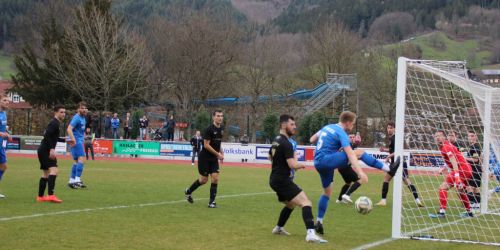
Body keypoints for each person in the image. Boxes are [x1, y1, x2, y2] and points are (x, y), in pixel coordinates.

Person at [312, 111, 400, 235]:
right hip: (327, 160)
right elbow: (351, 154)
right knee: (359, 152)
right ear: (347, 122)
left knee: (327, 192)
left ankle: (319, 222)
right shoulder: (341, 132)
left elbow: (312, 139)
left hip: (318, 162)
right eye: (352, 124)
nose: (352, 127)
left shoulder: (327, 127)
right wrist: (361, 172)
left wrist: (329, 145)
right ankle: (389, 169)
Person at [268, 114, 327, 243]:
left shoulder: (276, 140)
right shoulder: (287, 144)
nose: (295, 127)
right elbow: (292, 165)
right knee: (306, 202)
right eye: (292, 125)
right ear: (283, 125)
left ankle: (278, 228)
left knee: (290, 204)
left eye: (295, 125)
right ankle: (311, 234)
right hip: (282, 180)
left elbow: (270, 157)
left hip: (274, 179)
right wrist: (302, 164)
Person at [376, 122, 423, 207]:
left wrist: (388, 157)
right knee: (405, 181)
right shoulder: (392, 138)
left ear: (394, 129)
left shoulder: (395, 138)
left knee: (388, 180)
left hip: (398, 163)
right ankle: (418, 200)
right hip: (398, 163)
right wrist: (385, 150)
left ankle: (383, 201)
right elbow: (392, 150)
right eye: (388, 128)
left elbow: (398, 151)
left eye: (391, 128)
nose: (389, 129)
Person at [184, 110, 224, 208]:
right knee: (203, 180)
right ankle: (188, 191)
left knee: (215, 178)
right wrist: (218, 154)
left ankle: (211, 202)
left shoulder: (221, 129)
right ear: (213, 117)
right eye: (218, 116)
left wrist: (221, 151)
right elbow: (206, 145)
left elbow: (217, 143)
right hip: (204, 158)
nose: (220, 118)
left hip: (213, 158)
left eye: (221, 116)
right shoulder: (209, 129)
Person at [430, 130, 473, 218]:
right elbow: (451, 161)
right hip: (467, 169)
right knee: (460, 191)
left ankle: (441, 213)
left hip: (462, 169)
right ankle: (470, 212)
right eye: (436, 136)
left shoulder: (446, 147)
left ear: (444, 137)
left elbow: (454, 162)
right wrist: (443, 168)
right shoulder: (444, 146)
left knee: (443, 188)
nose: (437, 138)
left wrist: (457, 177)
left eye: (440, 136)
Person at [37, 105, 72, 203]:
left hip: (43, 149)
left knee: (46, 173)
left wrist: (65, 140)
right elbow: (47, 135)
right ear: (55, 112)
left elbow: (53, 137)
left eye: (64, 112)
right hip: (46, 150)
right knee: (54, 170)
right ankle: (51, 195)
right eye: (61, 112)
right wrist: (52, 149)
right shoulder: (54, 123)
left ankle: (40, 197)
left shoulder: (55, 123)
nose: (63, 114)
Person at [67, 102, 88, 189]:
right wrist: (73, 139)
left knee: (76, 161)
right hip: (76, 141)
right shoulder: (76, 118)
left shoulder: (83, 118)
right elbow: (69, 129)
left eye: (85, 108)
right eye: (82, 108)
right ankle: (77, 180)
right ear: (78, 109)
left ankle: (72, 181)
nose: (84, 110)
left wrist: (84, 136)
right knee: (82, 158)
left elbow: (80, 131)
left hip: (78, 140)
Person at [465, 130, 482, 210]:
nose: (470, 137)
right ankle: (477, 207)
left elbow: (475, 160)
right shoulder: (474, 146)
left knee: (469, 188)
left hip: (474, 170)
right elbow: (480, 158)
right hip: (477, 170)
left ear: (476, 137)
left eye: (472, 136)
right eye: (469, 136)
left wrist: (464, 158)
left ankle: (471, 208)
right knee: (476, 189)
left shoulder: (475, 147)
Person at [0, 94, 11, 199]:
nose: (7, 102)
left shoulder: (4, 113)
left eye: (8, 100)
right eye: (4, 100)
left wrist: (7, 131)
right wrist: (3, 134)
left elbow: (3, 126)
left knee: (3, 166)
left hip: (1, 145)